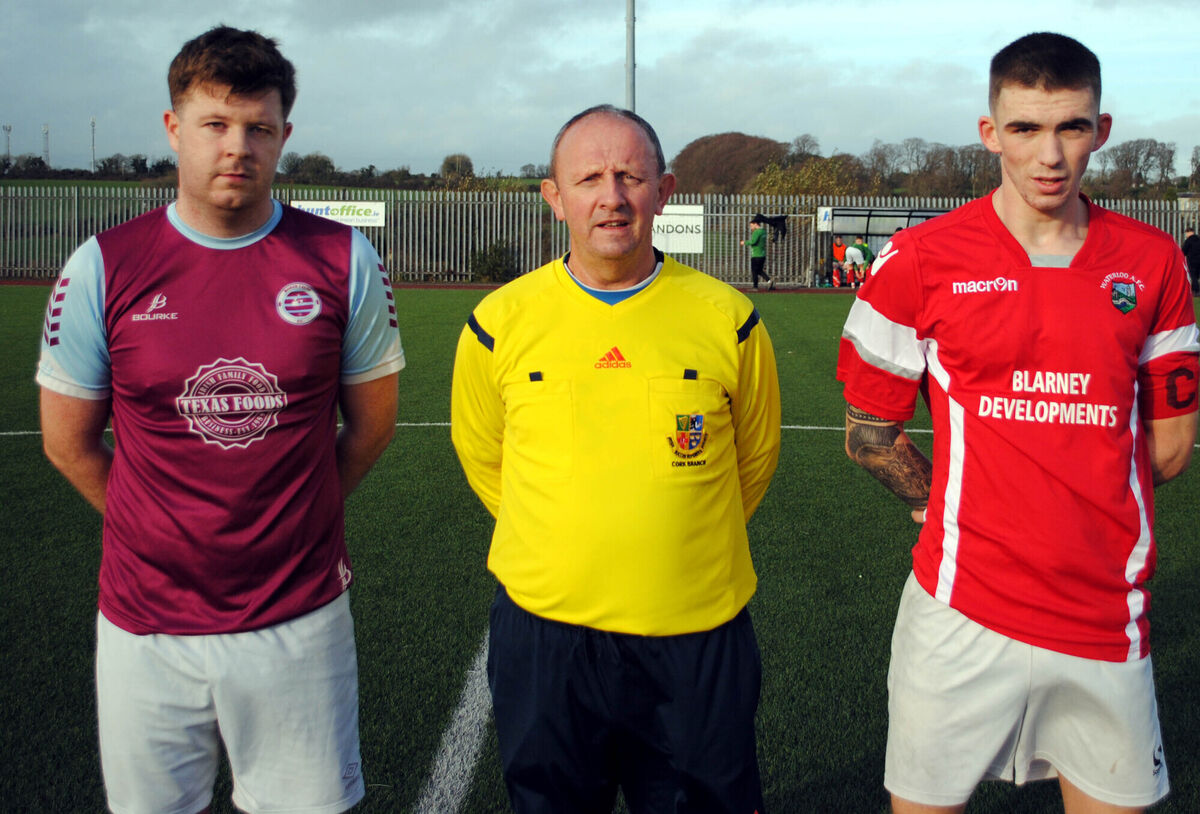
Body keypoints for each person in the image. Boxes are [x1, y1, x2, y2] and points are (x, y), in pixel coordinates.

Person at [37, 26, 403, 814]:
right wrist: (162, 531)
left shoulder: (343, 261)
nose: (236, 147)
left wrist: (289, 521)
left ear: (284, 137)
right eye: (214, 124)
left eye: (258, 128)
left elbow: (371, 428)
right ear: (174, 128)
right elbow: (68, 444)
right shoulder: (103, 265)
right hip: (146, 626)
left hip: (299, 619)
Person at [837, 32, 1199, 814]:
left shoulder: (1154, 263)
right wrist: (945, 506)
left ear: (1101, 130)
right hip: (960, 606)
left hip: (1104, 612)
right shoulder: (921, 259)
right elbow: (870, 429)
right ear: (989, 132)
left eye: (1072, 127)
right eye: (1027, 129)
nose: (1050, 155)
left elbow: (1172, 447)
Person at [451, 104, 781, 814]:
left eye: (631, 176)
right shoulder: (497, 324)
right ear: (555, 196)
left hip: (696, 634)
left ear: (664, 192)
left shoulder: (728, 318)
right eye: (590, 177)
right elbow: (483, 454)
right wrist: (560, 541)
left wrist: (675, 541)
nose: (612, 196)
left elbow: (753, 458)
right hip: (546, 638)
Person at [741, 215, 775, 289]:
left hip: (756, 254)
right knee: (759, 270)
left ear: (756, 224)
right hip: (762, 254)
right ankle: (769, 281)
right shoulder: (763, 231)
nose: (751, 228)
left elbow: (753, 242)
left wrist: (744, 242)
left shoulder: (757, 232)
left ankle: (755, 287)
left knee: (754, 271)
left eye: (751, 225)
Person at [1181, 226, 1200, 295]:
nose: (1186, 235)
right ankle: (1193, 289)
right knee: (1196, 276)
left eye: (1186, 233)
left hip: (1192, 260)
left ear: (1189, 232)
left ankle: (1197, 291)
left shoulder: (1188, 241)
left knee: (1193, 276)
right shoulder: (1198, 239)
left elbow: (1183, 251)